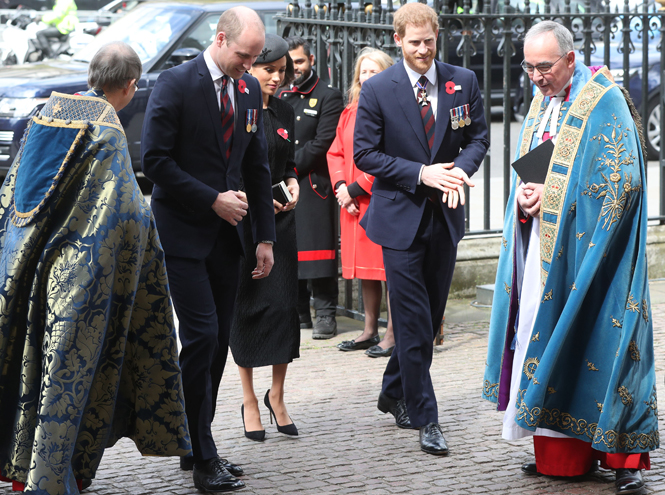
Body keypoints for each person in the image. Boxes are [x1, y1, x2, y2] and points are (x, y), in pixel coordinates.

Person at [0, 41, 191, 495]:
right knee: (61, 380)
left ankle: (17, 465)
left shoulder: (48, 111)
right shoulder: (107, 130)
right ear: (129, 86)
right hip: (73, 277)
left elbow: (13, 188)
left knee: (22, 366)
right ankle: (47, 477)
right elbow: (125, 211)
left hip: (23, 264)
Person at [482, 21, 657, 495]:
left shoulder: (606, 102)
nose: (535, 77)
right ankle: (562, 456)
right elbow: (534, 173)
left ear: (570, 60)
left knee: (608, 342)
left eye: (543, 67)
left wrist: (553, 199)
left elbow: (623, 186)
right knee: (548, 339)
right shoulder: (542, 104)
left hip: (596, 259)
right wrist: (524, 200)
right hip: (543, 253)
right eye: (528, 67)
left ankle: (626, 462)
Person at [141, 7, 276, 494]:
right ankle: (201, 453)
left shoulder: (250, 89)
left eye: (256, 57)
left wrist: (264, 237)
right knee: (199, 337)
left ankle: (192, 436)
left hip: (230, 240)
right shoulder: (175, 84)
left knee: (217, 342)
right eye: (245, 55)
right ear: (220, 40)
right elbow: (153, 161)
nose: (250, 65)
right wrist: (211, 199)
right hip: (183, 235)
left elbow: (256, 165)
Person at [354, 2, 489, 455]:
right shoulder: (378, 90)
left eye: (429, 41)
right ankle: (425, 416)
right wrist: (421, 173)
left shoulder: (462, 81)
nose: (423, 51)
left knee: (427, 321)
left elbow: (478, 137)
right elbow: (365, 155)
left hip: (445, 220)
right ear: (398, 41)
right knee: (411, 323)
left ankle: (392, 390)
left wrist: (459, 172)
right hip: (399, 220)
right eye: (414, 43)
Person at [229, 33, 300, 442]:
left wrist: (292, 184)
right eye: (268, 70)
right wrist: (255, 202)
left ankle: (277, 395)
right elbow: (231, 167)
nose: (275, 78)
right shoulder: (238, 108)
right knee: (248, 307)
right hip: (245, 221)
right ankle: (249, 399)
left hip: (282, 222)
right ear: (250, 69)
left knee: (282, 309)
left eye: (280, 71)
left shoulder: (286, 111)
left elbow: (289, 163)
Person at [328, 47, 396, 358]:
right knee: (367, 272)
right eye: (363, 72)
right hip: (353, 203)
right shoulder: (350, 111)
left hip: (378, 199)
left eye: (374, 71)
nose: (367, 77)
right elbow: (336, 153)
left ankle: (393, 333)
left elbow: (389, 158)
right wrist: (342, 188)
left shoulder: (393, 111)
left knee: (390, 271)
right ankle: (369, 330)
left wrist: (355, 189)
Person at [278, 36, 344, 340]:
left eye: (300, 62)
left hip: (313, 183)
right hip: (284, 183)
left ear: (312, 61)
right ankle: (300, 312)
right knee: (290, 250)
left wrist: (288, 167)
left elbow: (323, 142)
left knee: (318, 252)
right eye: (290, 63)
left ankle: (326, 314)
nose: (295, 68)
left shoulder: (328, 95)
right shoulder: (279, 93)